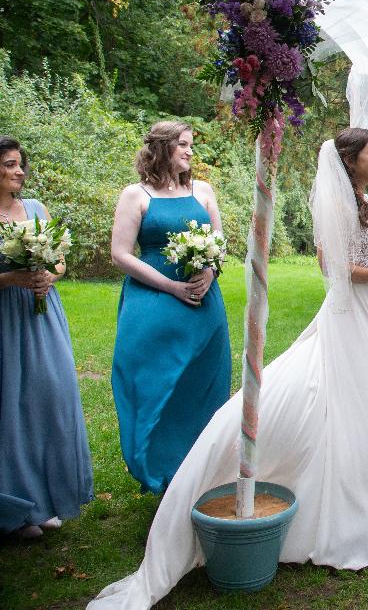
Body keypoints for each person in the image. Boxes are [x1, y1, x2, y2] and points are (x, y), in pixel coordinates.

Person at [88, 128, 368, 609]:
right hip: (348, 315)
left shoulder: (363, 200)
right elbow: (336, 269)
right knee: (345, 397)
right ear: (350, 160)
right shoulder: (335, 203)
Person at [110, 121, 232, 494]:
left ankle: (199, 474)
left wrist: (210, 271)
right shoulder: (136, 195)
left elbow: (219, 242)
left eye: (191, 145)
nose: (190, 151)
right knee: (156, 386)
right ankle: (161, 472)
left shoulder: (203, 191)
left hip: (203, 306)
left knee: (203, 387)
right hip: (153, 303)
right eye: (183, 144)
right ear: (163, 148)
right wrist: (170, 286)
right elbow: (120, 254)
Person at [0, 136, 94, 540]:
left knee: (50, 397)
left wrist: (49, 277)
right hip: (6, 318)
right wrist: (11, 278)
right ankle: (16, 509)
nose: (19, 171)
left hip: (42, 315)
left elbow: (59, 260)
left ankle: (45, 500)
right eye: (9, 164)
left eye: (20, 164)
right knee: (11, 407)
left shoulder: (37, 209)